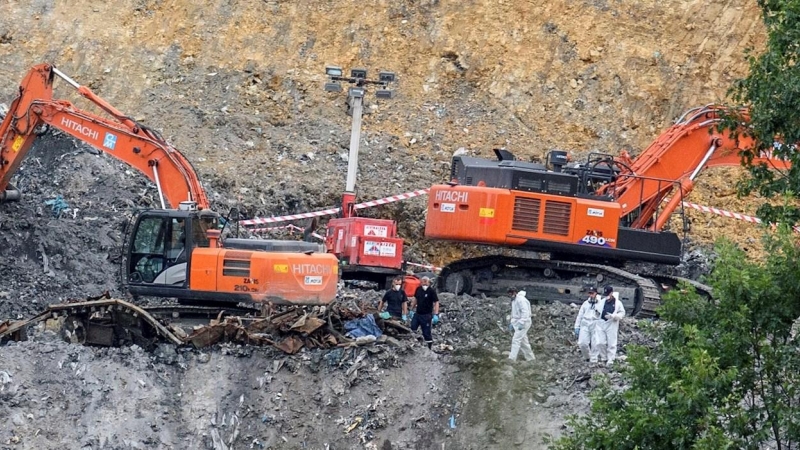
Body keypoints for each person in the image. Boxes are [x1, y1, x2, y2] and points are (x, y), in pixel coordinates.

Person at [595, 285, 626, 366]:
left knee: (611, 342)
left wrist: (615, 316)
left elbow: (622, 313)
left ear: (612, 293)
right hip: (601, 323)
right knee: (600, 342)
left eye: (608, 294)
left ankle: (610, 359)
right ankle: (603, 357)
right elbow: (597, 310)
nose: (607, 296)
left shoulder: (618, 303)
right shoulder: (602, 301)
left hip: (612, 323)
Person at [409, 276, 439, 349]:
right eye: (423, 281)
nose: (425, 283)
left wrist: (436, 314)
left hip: (426, 315)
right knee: (412, 328)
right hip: (418, 314)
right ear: (421, 282)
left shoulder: (431, 291)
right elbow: (415, 299)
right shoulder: (418, 289)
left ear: (429, 283)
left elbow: (436, 302)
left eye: (426, 282)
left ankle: (429, 347)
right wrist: (411, 309)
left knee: (426, 332)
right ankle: (413, 344)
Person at [573, 286, 601, 362]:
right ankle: (587, 357)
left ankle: (594, 359)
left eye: (592, 293)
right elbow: (580, 315)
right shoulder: (586, 303)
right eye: (589, 293)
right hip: (585, 323)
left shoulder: (601, 303)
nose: (591, 295)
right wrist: (577, 326)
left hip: (595, 323)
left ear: (596, 293)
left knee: (595, 343)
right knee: (582, 343)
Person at [508, 288, 535, 362]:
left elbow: (525, 312)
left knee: (516, 339)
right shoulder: (514, 300)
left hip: (524, 322)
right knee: (523, 341)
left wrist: (521, 323)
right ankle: (531, 358)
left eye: (511, 294)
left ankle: (512, 358)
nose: (510, 296)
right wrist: (512, 322)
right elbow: (514, 313)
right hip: (518, 322)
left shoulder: (521, 300)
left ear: (515, 293)